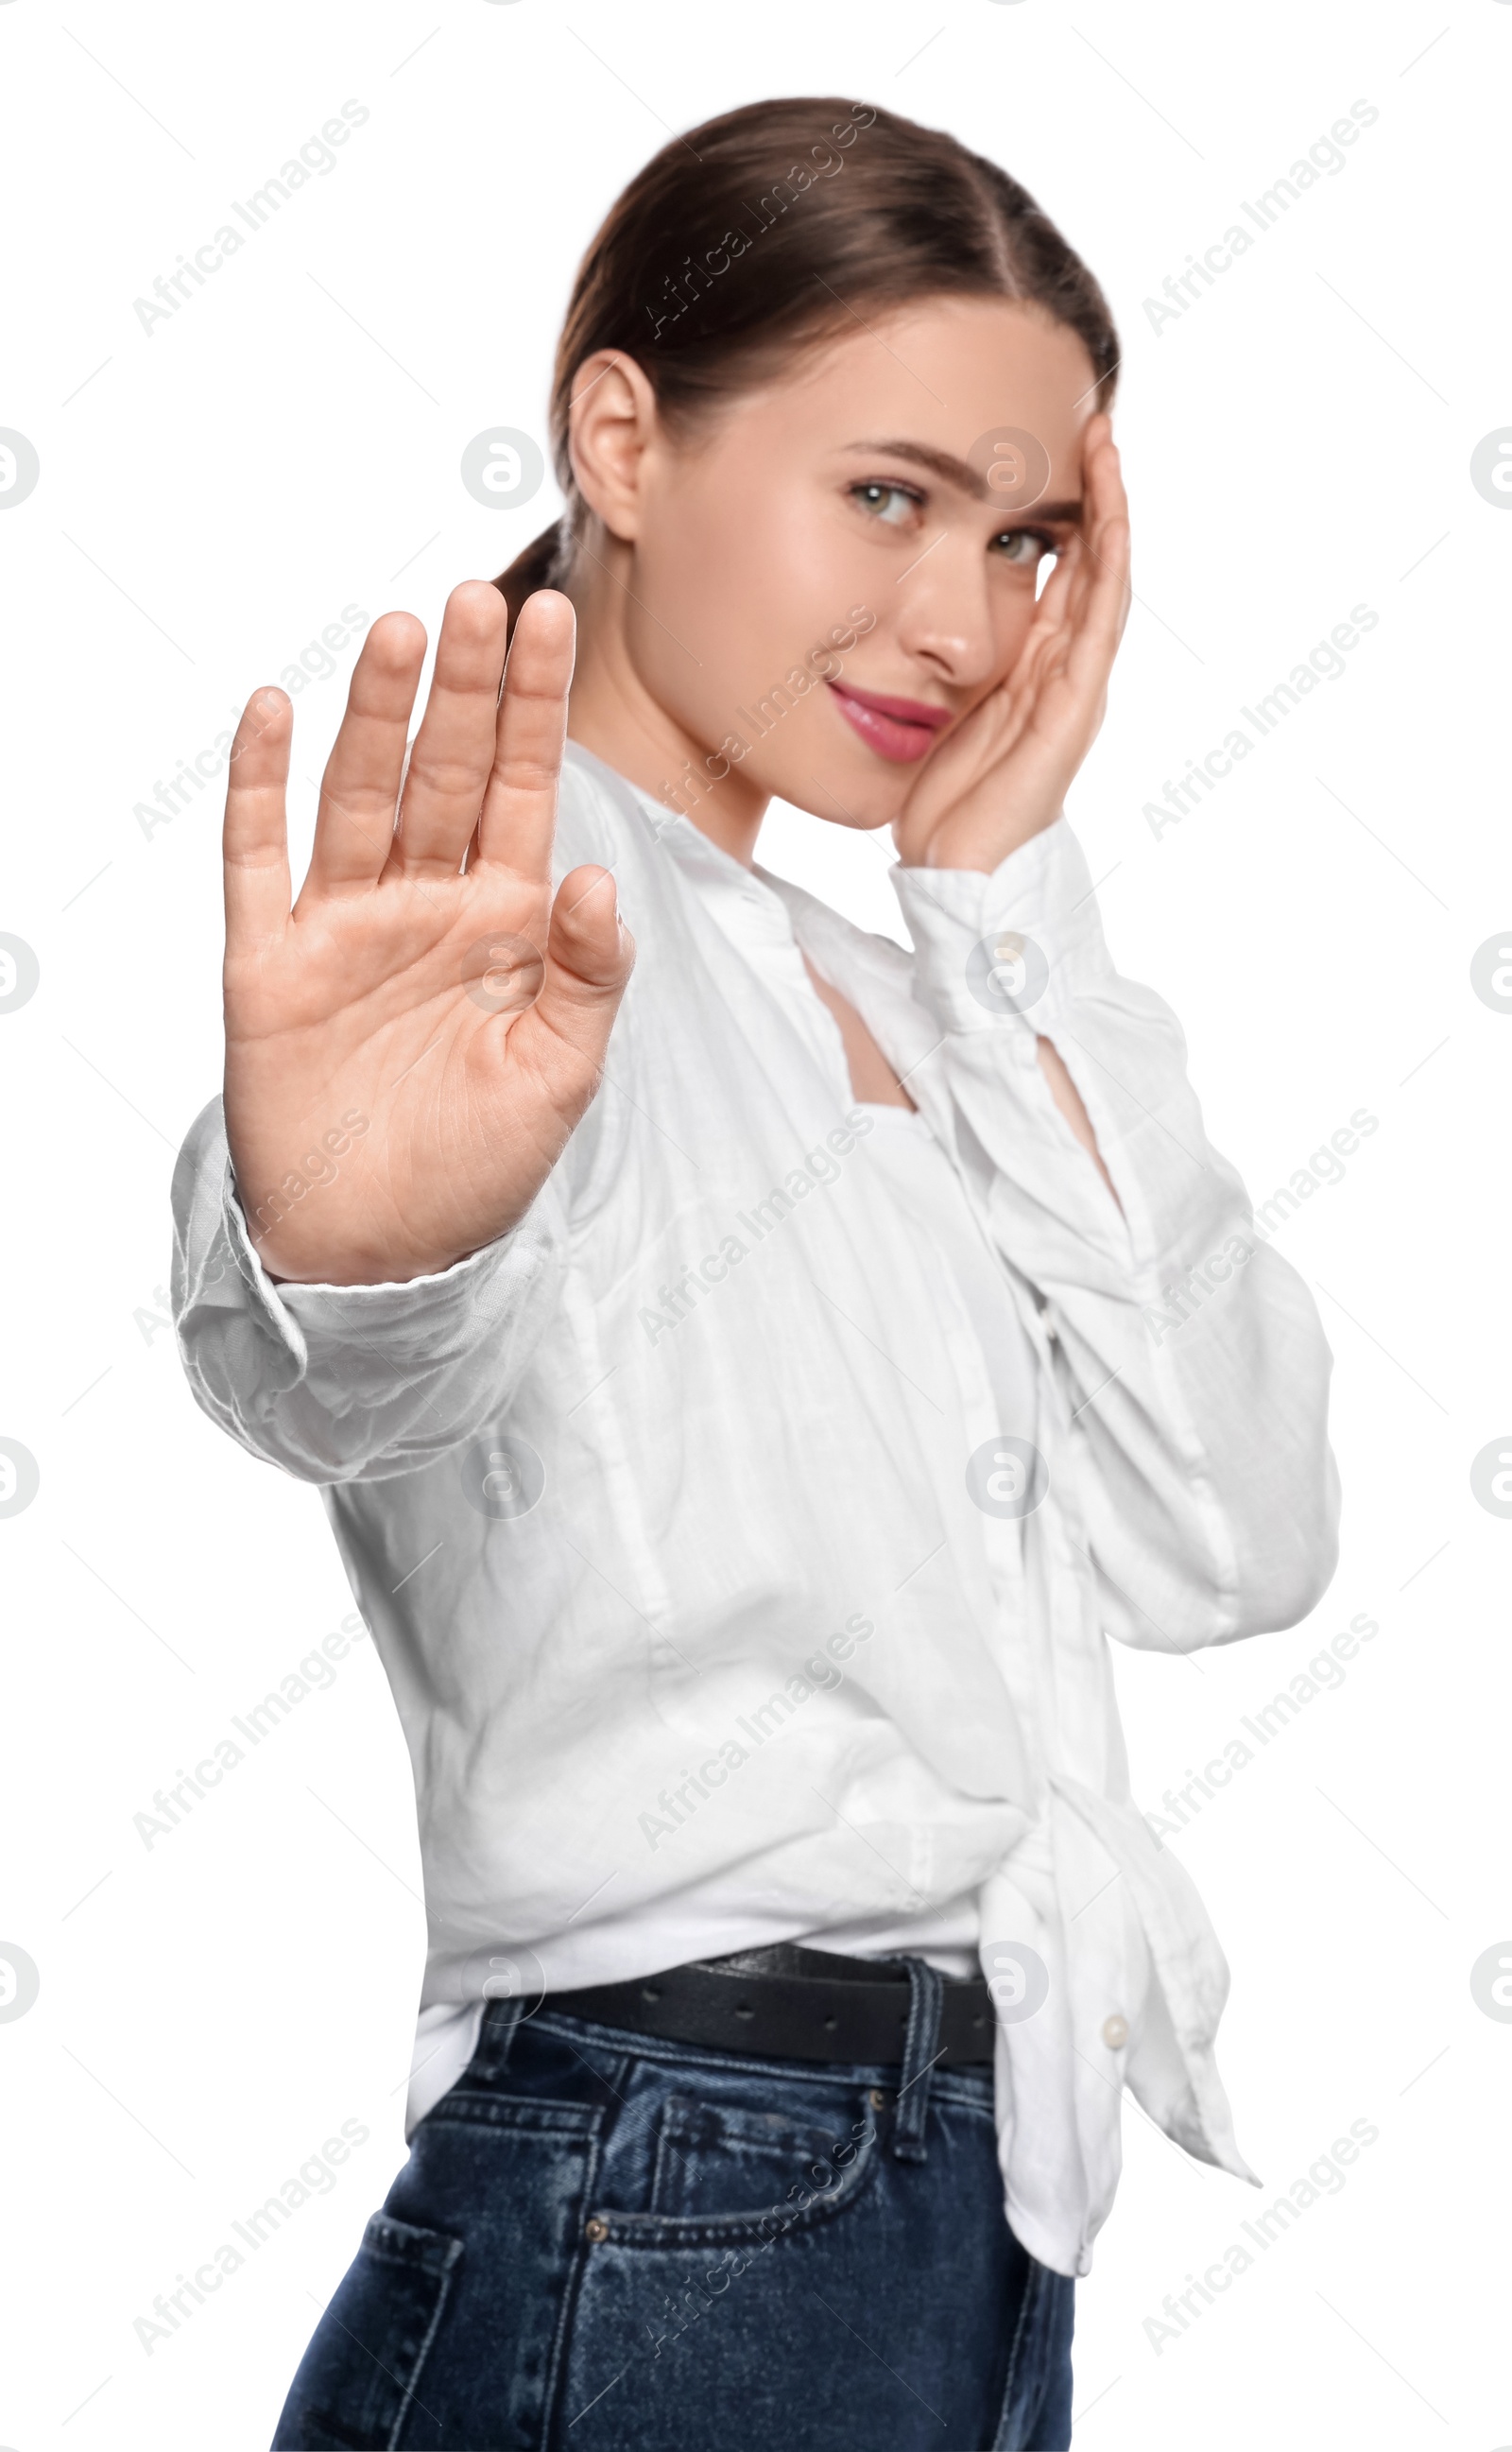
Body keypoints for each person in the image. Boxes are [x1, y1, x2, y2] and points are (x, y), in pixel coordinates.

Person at [171, 95, 1339, 2452]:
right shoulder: (496, 934)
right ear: (621, 434)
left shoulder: (927, 992)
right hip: (680, 2169)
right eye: (885, 494)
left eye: (1021, 537)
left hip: (955, 2208)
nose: (957, 619)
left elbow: (1231, 1535)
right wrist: (359, 1247)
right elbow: (338, 1354)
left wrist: (1000, 900)